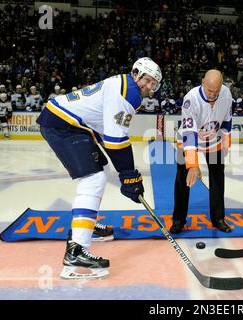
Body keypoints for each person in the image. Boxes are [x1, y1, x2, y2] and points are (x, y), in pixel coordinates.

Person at [36, 57, 162, 279]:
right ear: (136, 73)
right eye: (149, 80)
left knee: (98, 174)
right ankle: (75, 251)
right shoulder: (128, 92)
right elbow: (115, 140)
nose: (150, 87)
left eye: (154, 84)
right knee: (93, 179)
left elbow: (108, 133)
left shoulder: (125, 85)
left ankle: (84, 227)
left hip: (69, 124)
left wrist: (128, 175)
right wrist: (129, 175)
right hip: (63, 125)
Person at [170, 69, 232, 234]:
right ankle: (178, 220)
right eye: (210, 90)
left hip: (214, 140)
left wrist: (227, 142)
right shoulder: (191, 99)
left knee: (218, 179)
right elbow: (189, 133)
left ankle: (218, 218)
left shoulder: (226, 94)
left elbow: (227, 120)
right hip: (188, 140)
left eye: (216, 91)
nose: (213, 95)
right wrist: (193, 164)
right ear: (203, 82)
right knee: (183, 180)